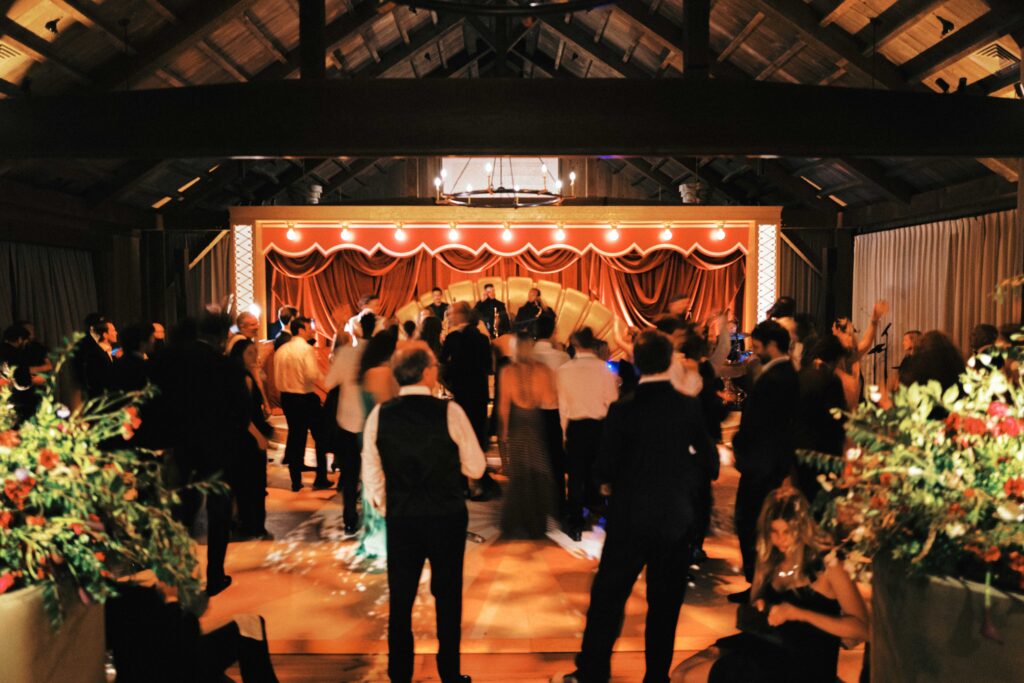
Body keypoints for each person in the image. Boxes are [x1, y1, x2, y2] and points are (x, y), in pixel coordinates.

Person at [557, 331, 717, 683]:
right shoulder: (687, 406)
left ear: (636, 362)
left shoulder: (624, 409)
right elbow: (711, 463)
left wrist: (609, 482)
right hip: (675, 520)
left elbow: (606, 468)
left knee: (608, 600)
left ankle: (593, 673)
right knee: (664, 606)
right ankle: (655, 677)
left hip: (630, 519)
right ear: (669, 361)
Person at [361, 345, 485, 683]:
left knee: (400, 601)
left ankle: (399, 674)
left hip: (402, 518)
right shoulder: (451, 412)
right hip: (446, 516)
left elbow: (371, 472)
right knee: (448, 599)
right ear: (426, 372)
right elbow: (476, 466)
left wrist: (387, 506)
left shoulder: (379, 415)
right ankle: (450, 673)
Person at [672, 489, 868, 683]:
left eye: (787, 532)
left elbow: (861, 629)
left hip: (802, 661)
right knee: (680, 673)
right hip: (768, 646)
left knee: (693, 677)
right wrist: (761, 607)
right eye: (775, 531)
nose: (781, 539)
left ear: (802, 528)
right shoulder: (772, 560)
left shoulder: (828, 566)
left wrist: (799, 613)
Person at [149, 312, 249, 597]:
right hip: (217, 448)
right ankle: (215, 575)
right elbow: (241, 409)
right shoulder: (226, 365)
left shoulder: (168, 360)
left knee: (181, 509)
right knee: (218, 512)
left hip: (180, 444)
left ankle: (179, 571)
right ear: (221, 337)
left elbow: (155, 400)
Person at [729, 320, 800, 605]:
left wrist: (740, 447)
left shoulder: (776, 378)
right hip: (768, 463)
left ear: (772, 345)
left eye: (757, 347)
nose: (754, 353)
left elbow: (763, 426)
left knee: (752, 524)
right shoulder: (785, 373)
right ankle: (759, 585)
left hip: (762, 465)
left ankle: (758, 586)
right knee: (754, 524)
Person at [556, 327, 618, 541]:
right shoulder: (605, 369)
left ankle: (575, 522)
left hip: (576, 426)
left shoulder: (564, 370)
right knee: (598, 471)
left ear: (575, 345)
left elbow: (563, 407)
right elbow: (612, 403)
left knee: (575, 476)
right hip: (599, 427)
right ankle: (600, 510)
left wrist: (564, 432)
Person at [498, 331, 558, 539]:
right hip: (535, 423)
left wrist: (503, 434)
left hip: (517, 425)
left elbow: (504, 406)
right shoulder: (543, 371)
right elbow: (550, 400)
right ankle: (536, 523)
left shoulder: (507, 372)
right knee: (537, 471)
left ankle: (515, 521)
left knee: (519, 472)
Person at [354, 326, 400, 561]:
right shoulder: (384, 373)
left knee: (371, 481)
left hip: (367, 431)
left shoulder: (366, 372)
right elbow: (389, 408)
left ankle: (374, 533)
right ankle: (383, 538)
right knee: (384, 483)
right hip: (383, 434)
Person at [274, 316, 330, 492]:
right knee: (320, 437)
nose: (312, 331)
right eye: (309, 328)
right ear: (300, 330)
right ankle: (321, 478)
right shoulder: (306, 349)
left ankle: (295, 481)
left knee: (296, 437)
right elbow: (312, 375)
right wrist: (329, 387)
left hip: (287, 399)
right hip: (304, 397)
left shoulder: (281, 349)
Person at [229, 339, 275, 540]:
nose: (255, 356)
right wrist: (259, 437)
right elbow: (243, 414)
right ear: (239, 355)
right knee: (253, 483)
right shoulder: (243, 378)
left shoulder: (244, 375)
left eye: (255, 352)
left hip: (245, 437)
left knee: (249, 482)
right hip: (248, 439)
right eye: (250, 353)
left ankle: (251, 523)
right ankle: (254, 525)